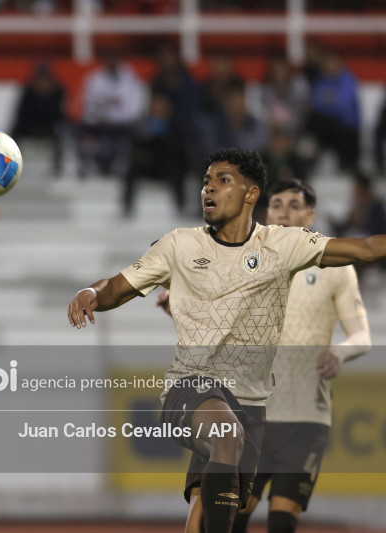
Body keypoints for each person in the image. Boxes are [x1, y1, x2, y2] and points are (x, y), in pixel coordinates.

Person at [67, 147, 386, 533]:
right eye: (206, 181)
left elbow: (367, 248)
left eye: (223, 180)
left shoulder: (282, 245)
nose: (209, 189)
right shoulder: (179, 245)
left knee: (212, 510)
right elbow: (117, 287)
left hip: (252, 404)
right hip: (190, 388)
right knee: (226, 436)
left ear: (251, 194)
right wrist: (91, 293)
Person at [232, 180, 371, 532]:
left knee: (282, 521)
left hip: (305, 418)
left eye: (294, 205)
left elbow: (361, 335)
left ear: (309, 215)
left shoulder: (336, 268)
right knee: (231, 518)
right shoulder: (245, 264)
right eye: (277, 204)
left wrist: (339, 354)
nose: (283, 212)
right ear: (266, 212)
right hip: (254, 415)